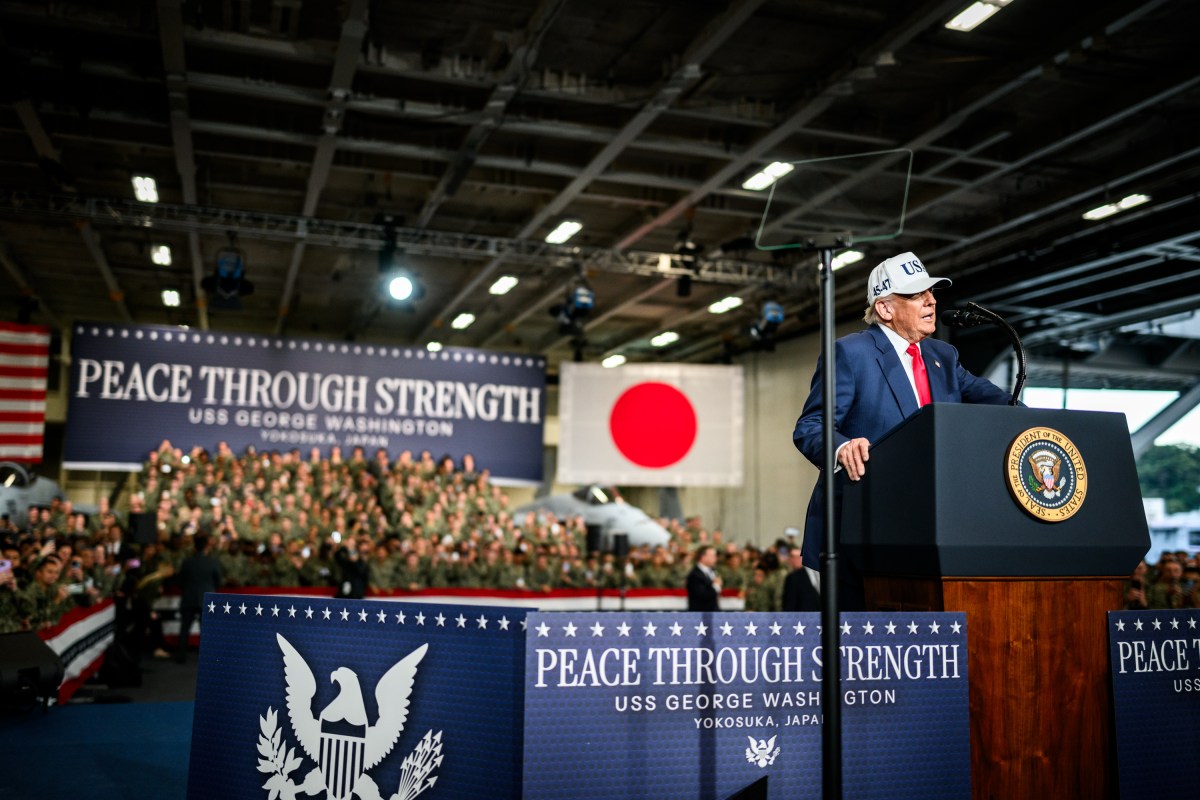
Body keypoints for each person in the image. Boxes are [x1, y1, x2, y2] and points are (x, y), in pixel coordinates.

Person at [793, 252, 1011, 607]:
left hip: (932, 528)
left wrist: (1035, 420)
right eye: (916, 294)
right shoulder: (851, 353)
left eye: (931, 292)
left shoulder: (943, 356)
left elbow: (999, 402)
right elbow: (811, 425)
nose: (931, 300)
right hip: (860, 530)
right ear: (885, 309)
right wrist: (841, 447)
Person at [172, 532, 223, 662]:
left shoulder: (187, 562)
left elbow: (180, 581)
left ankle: (181, 655)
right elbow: (218, 582)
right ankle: (207, 658)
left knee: (184, 628)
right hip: (206, 600)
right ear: (207, 546)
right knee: (206, 630)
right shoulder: (212, 563)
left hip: (188, 598)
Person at [781, 547, 820, 612]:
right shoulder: (792, 577)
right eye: (793, 557)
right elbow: (789, 604)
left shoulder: (815, 572)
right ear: (789, 559)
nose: (796, 560)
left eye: (799, 556)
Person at [686, 545, 722, 612]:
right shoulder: (695, 575)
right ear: (703, 557)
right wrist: (716, 586)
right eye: (713, 556)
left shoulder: (712, 571)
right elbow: (702, 596)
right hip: (700, 616)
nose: (716, 558)